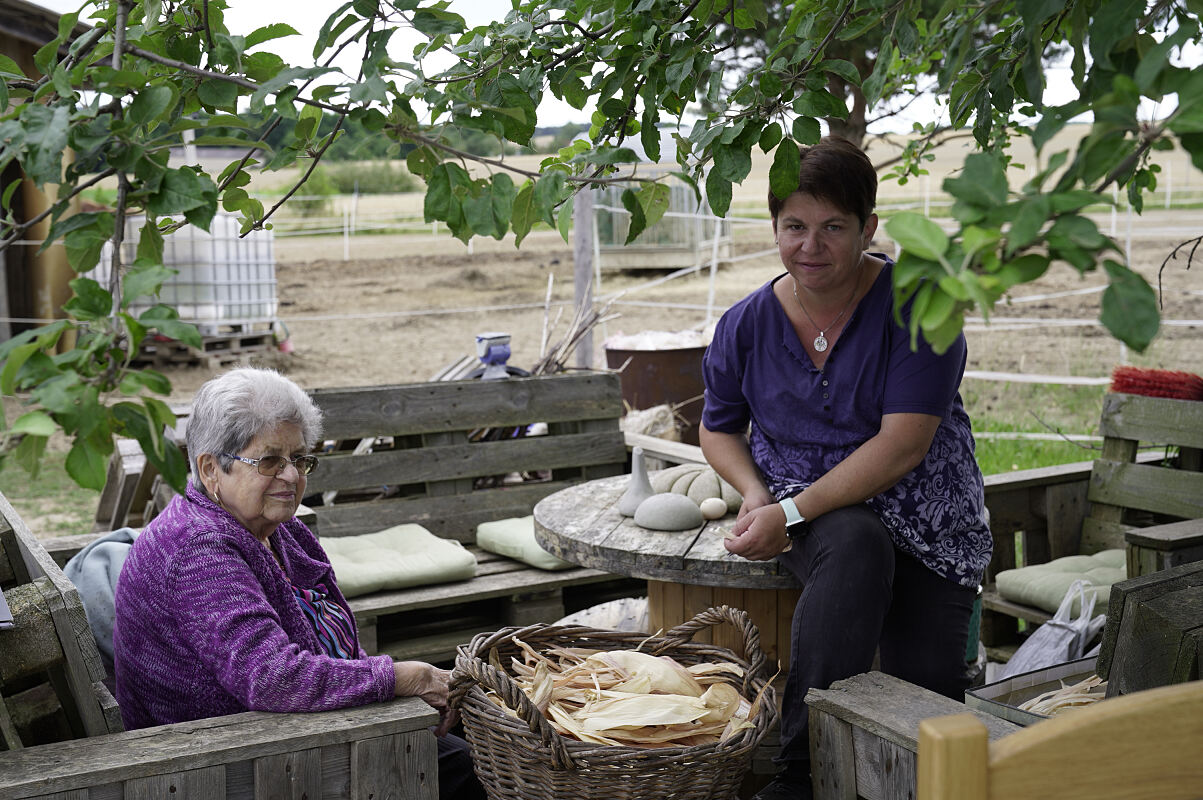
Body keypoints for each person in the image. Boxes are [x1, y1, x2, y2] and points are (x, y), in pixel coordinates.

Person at [700, 136, 991, 800]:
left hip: (925, 519)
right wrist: (754, 494)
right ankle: (800, 774)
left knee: (927, 722)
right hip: (813, 511)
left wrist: (786, 513)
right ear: (773, 227)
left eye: (833, 227)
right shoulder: (745, 324)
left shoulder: (921, 307)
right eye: (794, 226)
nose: (811, 245)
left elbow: (902, 446)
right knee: (855, 544)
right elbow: (716, 428)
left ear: (868, 228)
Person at [113, 367, 484, 800]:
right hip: (223, 765)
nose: (291, 476)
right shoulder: (198, 550)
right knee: (463, 767)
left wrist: (386, 690)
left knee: (468, 748)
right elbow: (273, 677)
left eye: (299, 459)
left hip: (295, 734)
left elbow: (332, 647)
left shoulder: (277, 529)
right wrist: (405, 678)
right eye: (269, 460)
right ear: (211, 469)